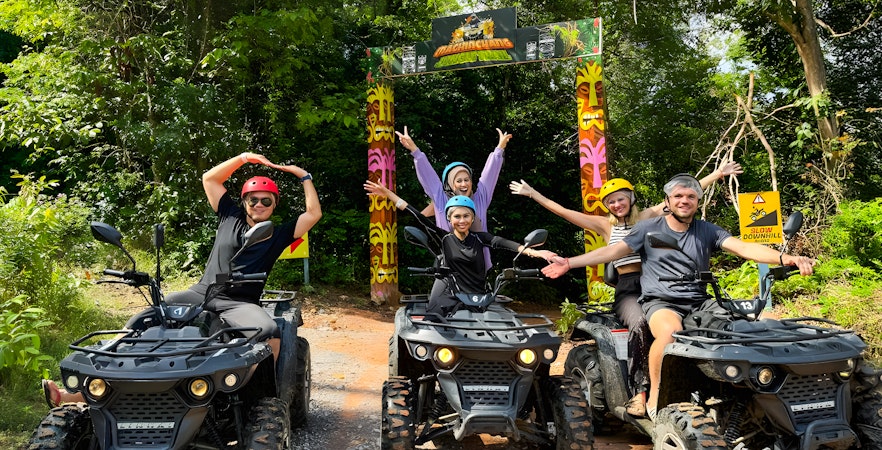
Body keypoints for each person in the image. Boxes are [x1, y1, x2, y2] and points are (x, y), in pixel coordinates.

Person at [43, 152, 322, 408]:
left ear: (274, 205)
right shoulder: (229, 215)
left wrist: (303, 176)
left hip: (239, 302)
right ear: (244, 202)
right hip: (202, 292)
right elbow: (210, 178)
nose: (259, 204)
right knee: (148, 318)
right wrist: (244, 158)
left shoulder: (279, 233)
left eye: (266, 200)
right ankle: (84, 392)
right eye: (253, 199)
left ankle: (259, 399)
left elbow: (313, 214)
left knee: (269, 329)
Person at [540, 173, 815, 421]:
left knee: (761, 321)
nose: (685, 200)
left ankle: (766, 394)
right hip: (661, 301)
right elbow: (612, 252)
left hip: (700, 301)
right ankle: (655, 399)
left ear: (698, 201)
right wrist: (570, 262)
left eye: (691, 196)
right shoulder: (648, 229)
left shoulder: (707, 230)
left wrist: (786, 257)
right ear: (667, 202)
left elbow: (742, 247)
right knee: (670, 333)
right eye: (678, 196)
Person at [508, 162, 742, 417]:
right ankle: (641, 394)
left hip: (661, 283)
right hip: (629, 287)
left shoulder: (648, 217)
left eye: (620, 199)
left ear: (630, 199)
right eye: (611, 202)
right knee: (640, 323)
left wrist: (717, 174)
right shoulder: (605, 225)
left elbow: (684, 193)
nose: (616, 205)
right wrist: (534, 194)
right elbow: (564, 212)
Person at [364, 180, 555, 318]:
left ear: (472, 219)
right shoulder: (444, 238)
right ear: (449, 219)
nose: (461, 220)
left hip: (479, 295)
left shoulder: (480, 238)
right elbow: (415, 214)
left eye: (466, 216)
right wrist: (388, 194)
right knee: (431, 326)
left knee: (505, 324)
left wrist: (534, 252)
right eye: (457, 216)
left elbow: (503, 242)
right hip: (448, 291)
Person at [396, 126, 511, 269]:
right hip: (450, 270)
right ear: (450, 184)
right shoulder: (441, 200)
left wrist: (499, 149)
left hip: (478, 270)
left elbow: (489, 175)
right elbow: (429, 177)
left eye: (467, 179)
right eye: (459, 180)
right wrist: (415, 150)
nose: (464, 184)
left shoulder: (480, 199)